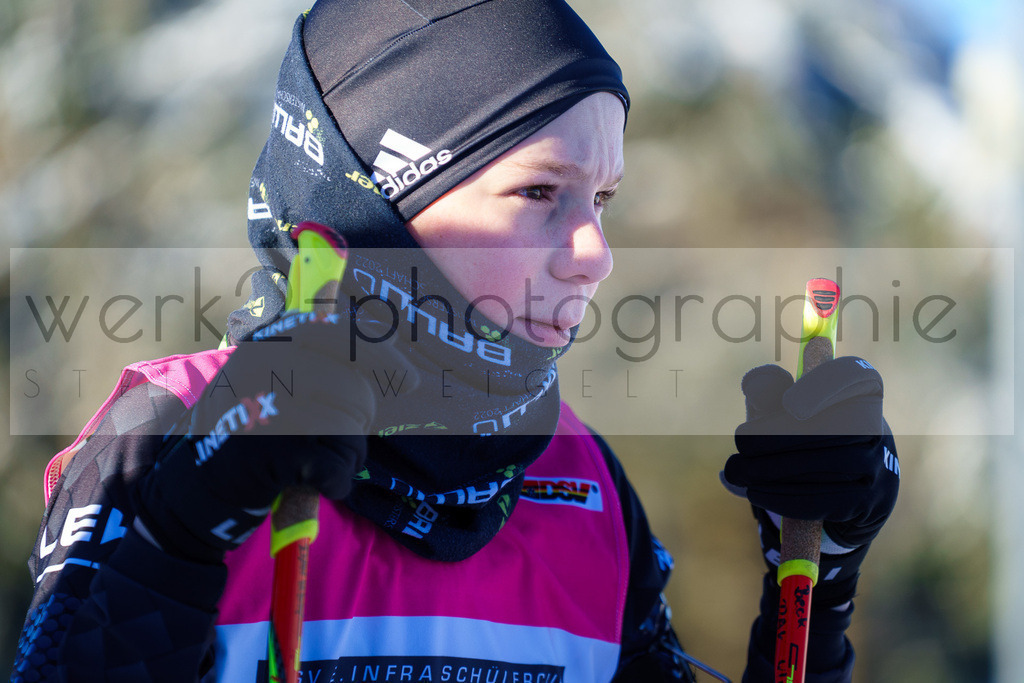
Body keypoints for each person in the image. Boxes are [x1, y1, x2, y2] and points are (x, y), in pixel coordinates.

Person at [11, 1, 899, 681]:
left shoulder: (578, 480)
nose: (596, 253)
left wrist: (815, 569)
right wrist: (179, 539)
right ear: (372, 204)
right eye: (539, 192)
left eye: (603, 199)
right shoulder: (173, 430)